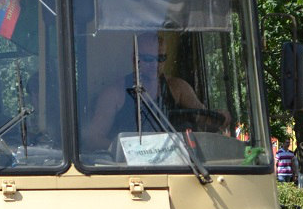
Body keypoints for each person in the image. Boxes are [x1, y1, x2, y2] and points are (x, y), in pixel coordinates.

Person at [82, 33, 210, 150]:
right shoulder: (115, 94)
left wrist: (220, 118)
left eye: (161, 58)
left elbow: (204, 118)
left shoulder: (178, 88)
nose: (155, 65)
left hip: (177, 165)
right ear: (134, 60)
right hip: (132, 169)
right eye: (149, 59)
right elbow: (92, 137)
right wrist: (125, 150)